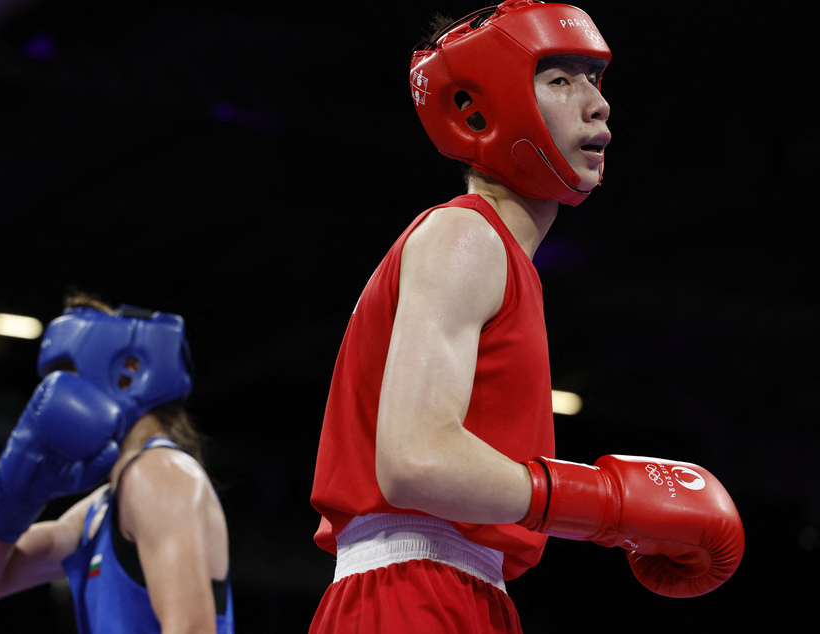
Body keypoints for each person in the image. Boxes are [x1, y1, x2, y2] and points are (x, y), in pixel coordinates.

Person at [309, 1, 743, 632]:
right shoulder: (465, 236)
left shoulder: (497, 256)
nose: (597, 103)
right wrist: (608, 506)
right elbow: (414, 460)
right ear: (481, 107)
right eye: (560, 79)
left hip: (462, 587)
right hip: (411, 590)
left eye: (594, 78)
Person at [0, 293, 234, 634]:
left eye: (68, 375)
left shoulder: (160, 473)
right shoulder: (99, 509)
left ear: (129, 370)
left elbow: (191, 630)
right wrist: (16, 493)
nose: (59, 396)